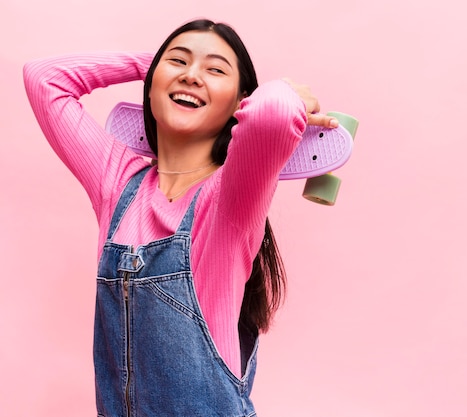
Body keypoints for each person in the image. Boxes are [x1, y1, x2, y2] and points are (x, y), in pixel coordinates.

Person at [23, 18, 338, 416]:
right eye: (178, 62)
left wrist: (290, 93)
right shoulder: (119, 183)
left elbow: (273, 112)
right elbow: (43, 79)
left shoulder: (231, 199)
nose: (191, 76)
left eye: (214, 69)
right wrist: (150, 63)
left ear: (240, 102)